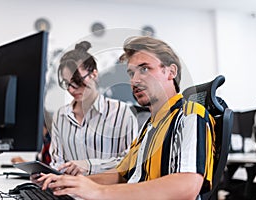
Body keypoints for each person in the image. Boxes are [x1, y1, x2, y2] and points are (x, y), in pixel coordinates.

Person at [36, 36, 216, 199]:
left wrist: (98, 191)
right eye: (131, 73)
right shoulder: (150, 126)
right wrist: (75, 183)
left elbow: (188, 185)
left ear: (171, 72)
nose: (135, 80)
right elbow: (123, 174)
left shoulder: (189, 114)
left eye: (144, 69)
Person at [49, 41, 138, 176]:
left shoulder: (121, 112)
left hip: (106, 192)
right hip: (68, 192)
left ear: (94, 74)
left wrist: (90, 166)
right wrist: (47, 175)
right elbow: (57, 162)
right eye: (67, 84)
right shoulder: (60, 116)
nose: (72, 89)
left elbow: (131, 160)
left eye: (78, 81)